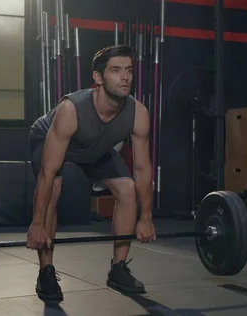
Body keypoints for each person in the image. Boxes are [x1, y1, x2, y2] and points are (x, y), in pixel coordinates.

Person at [26, 45, 156, 302]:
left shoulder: (138, 112)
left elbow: (142, 168)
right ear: (98, 78)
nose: (125, 77)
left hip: (97, 147)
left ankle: (118, 269)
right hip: (51, 140)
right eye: (116, 70)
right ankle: (46, 271)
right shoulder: (71, 109)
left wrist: (147, 218)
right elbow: (47, 174)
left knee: (128, 188)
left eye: (129, 70)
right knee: (54, 188)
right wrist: (37, 224)